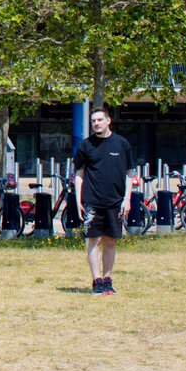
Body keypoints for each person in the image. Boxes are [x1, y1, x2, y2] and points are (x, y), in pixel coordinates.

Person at [73, 106, 133, 296]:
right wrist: (78, 201)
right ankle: (96, 281)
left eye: (99, 120)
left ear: (108, 121)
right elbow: (79, 175)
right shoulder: (85, 145)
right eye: (93, 121)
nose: (96, 124)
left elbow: (129, 174)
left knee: (111, 241)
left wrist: (127, 200)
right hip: (92, 201)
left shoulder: (122, 144)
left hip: (115, 202)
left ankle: (108, 281)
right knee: (94, 240)